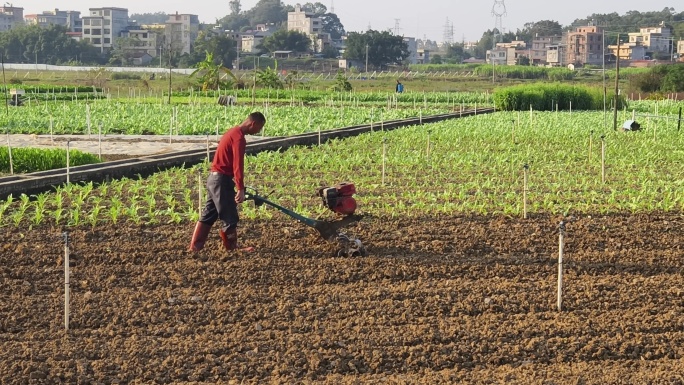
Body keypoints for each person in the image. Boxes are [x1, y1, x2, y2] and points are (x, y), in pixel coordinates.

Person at [189, 112, 266, 252]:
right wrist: (240, 188)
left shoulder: (231, 132)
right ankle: (232, 249)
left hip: (213, 178)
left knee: (209, 214)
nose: (258, 132)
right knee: (229, 215)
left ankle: (195, 247)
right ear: (253, 124)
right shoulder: (239, 138)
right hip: (221, 180)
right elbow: (238, 165)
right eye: (259, 128)